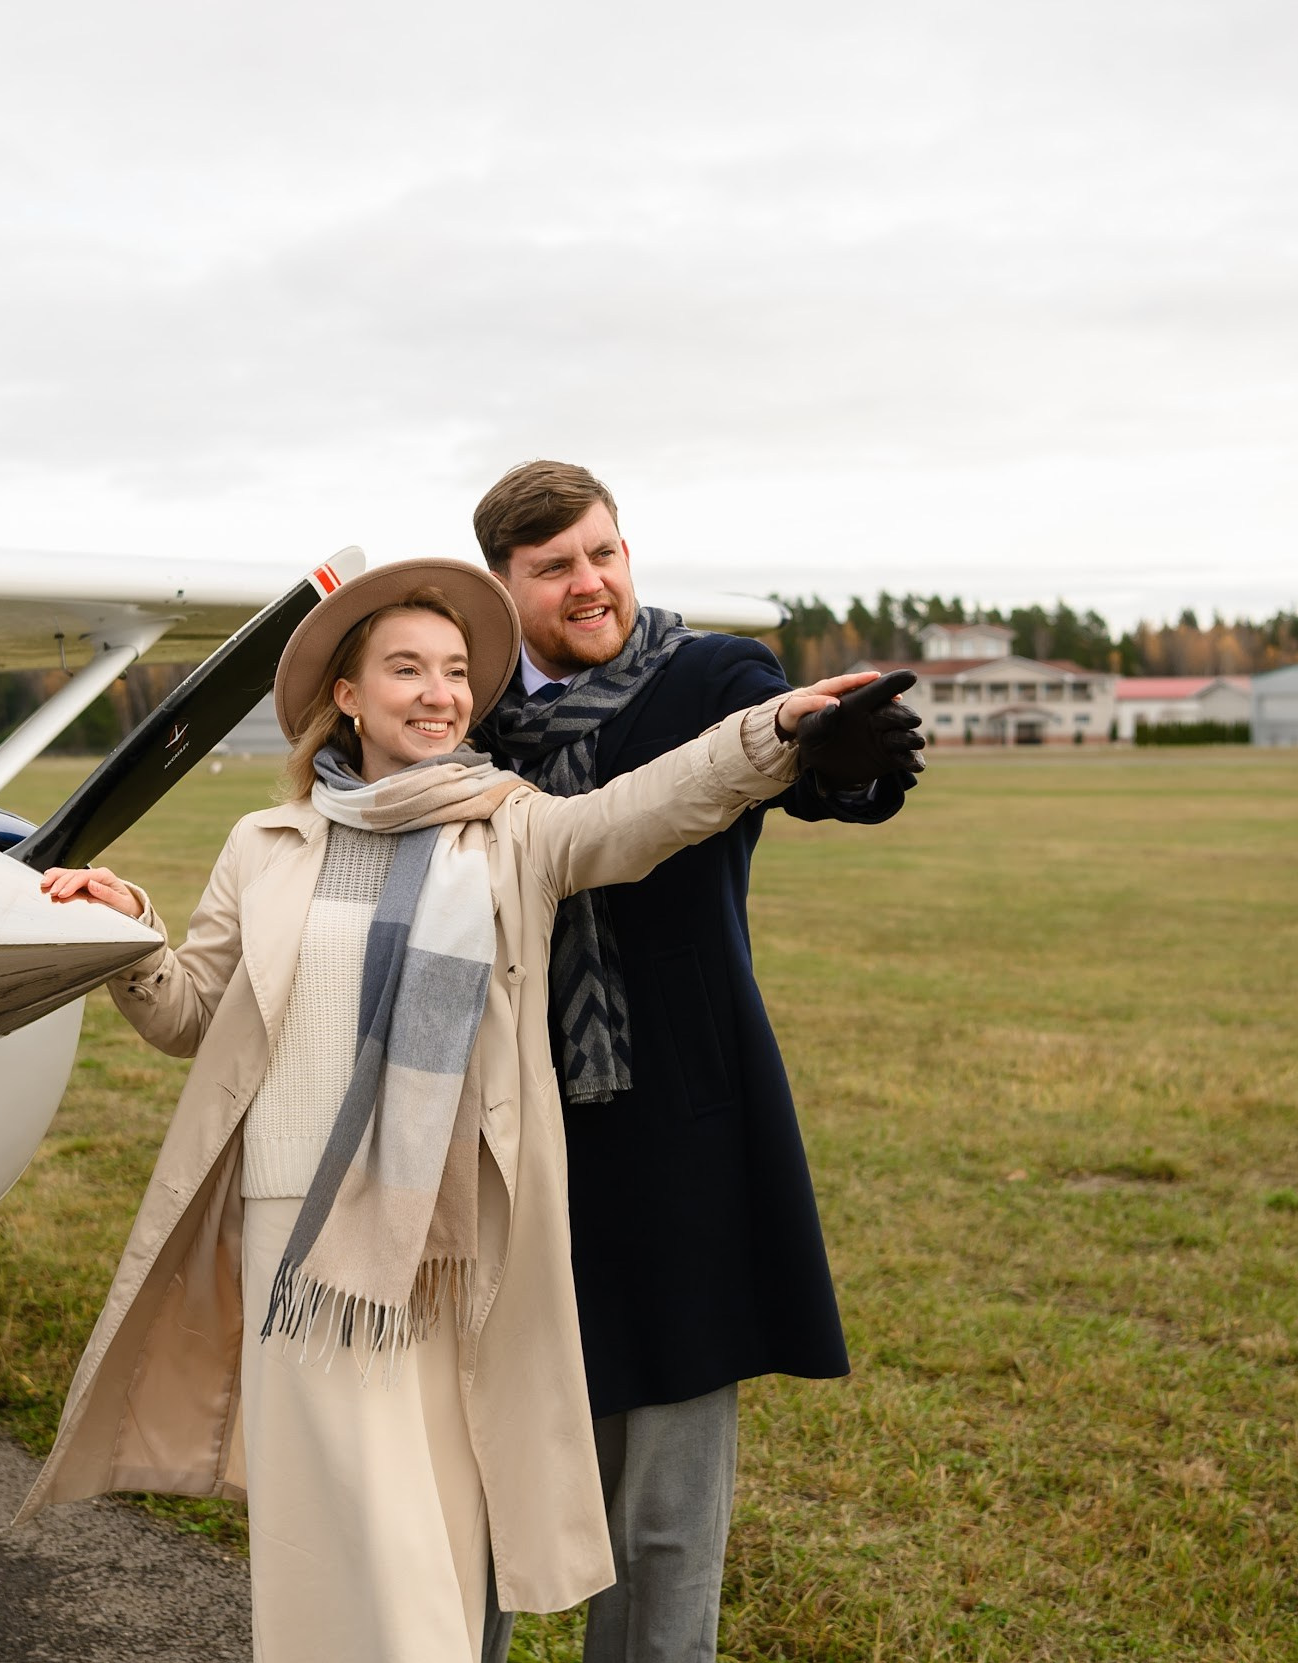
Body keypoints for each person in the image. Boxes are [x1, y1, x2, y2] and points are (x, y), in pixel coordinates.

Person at [15, 555, 889, 1662]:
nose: (437, 693)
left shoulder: (512, 830)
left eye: (454, 672)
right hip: (291, 1243)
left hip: (440, 1250)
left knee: (430, 1545)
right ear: (345, 692)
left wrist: (770, 732)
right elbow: (194, 1014)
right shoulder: (266, 845)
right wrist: (127, 931)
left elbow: (648, 810)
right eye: (405, 670)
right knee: (325, 1548)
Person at [468, 460, 924, 1663]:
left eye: (604, 553)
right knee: (470, 1480)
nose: (589, 583)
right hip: (506, 1120)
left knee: (666, 1505)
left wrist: (848, 762)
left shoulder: (713, 678)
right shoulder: (458, 713)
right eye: (554, 567)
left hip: (677, 1113)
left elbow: (816, 769)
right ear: (501, 584)